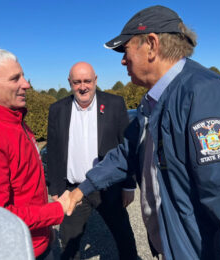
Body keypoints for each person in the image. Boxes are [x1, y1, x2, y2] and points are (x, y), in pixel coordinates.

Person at [65, 5, 220, 260]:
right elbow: (126, 154)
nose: (123, 60)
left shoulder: (205, 98)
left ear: (151, 44)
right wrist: (81, 190)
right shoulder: (154, 103)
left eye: (125, 50)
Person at [0, 48, 69, 259]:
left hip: (36, 241)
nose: (26, 84)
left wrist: (45, 234)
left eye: (23, 76)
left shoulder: (16, 122)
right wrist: (56, 211)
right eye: (15, 78)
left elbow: (27, 188)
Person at [47, 61, 137, 260]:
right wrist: (55, 190)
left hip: (109, 189)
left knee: (124, 238)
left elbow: (126, 146)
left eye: (87, 81)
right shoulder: (57, 109)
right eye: (77, 82)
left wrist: (129, 186)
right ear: (69, 82)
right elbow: (53, 152)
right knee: (69, 244)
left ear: (95, 80)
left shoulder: (115, 104)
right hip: (73, 190)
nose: (82, 87)